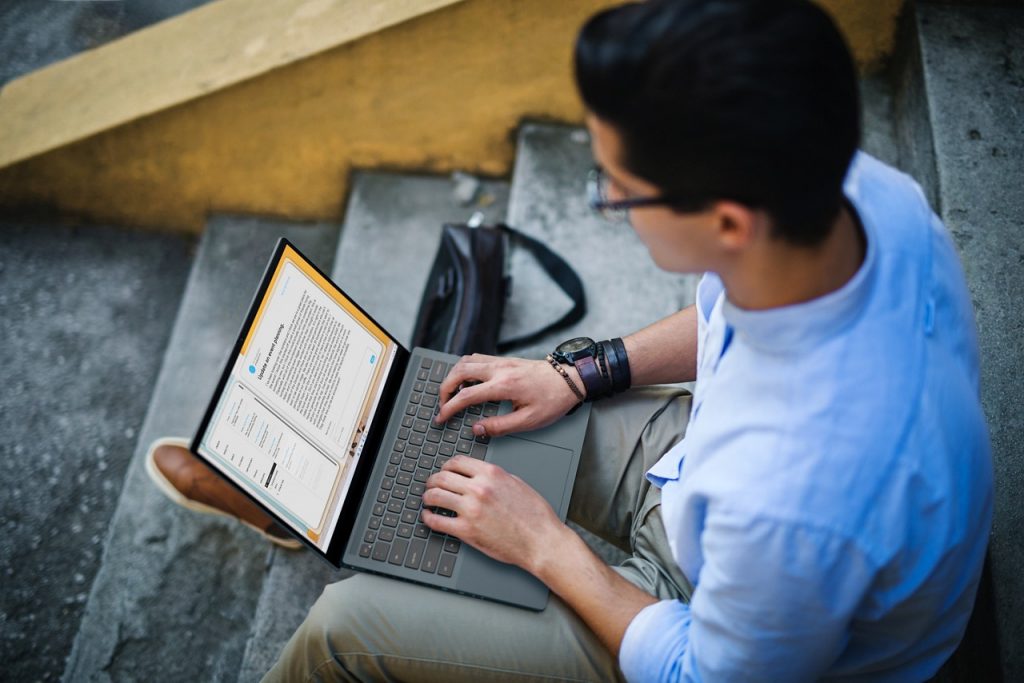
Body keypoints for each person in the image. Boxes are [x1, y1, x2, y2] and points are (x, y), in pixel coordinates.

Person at [147, 0, 993, 679]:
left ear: (729, 220)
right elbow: (719, 317)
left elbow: (703, 671)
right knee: (458, 410)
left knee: (342, 628)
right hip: (699, 467)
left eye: (618, 190)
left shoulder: (794, 503)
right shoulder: (862, 199)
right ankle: (315, 496)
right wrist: (583, 374)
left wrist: (546, 547)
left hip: (714, 609)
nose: (608, 203)